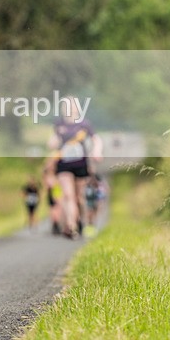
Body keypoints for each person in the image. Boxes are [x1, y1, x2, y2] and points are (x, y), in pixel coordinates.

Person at [47, 97, 102, 239]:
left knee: (79, 198)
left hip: (80, 164)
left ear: (77, 108)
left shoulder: (84, 124)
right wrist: (52, 143)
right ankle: (71, 226)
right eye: (65, 106)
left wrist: (97, 151)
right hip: (64, 164)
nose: (68, 108)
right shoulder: (59, 124)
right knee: (68, 195)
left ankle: (79, 221)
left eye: (71, 106)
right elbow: (54, 141)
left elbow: (96, 139)